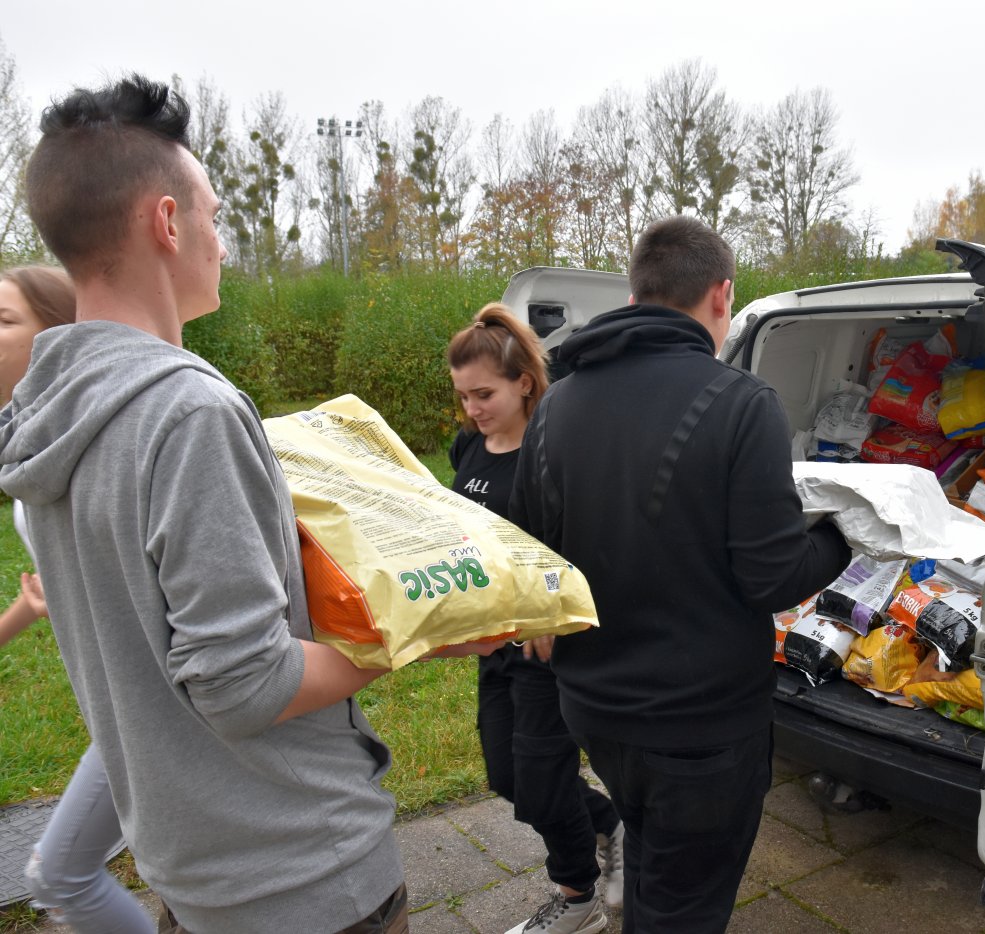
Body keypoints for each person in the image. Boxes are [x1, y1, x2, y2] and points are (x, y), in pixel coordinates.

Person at [0, 74, 495, 933]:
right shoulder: (188, 410)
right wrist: (419, 634)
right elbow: (241, 684)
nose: (221, 242)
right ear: (165, 222)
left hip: (194, 868)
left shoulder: (47, 419)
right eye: (216, 216)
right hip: (303, 871)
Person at [510, 215, 851, 932]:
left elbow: (535, 554)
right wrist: (847, 538)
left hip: (596, 709)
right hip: (700, 731)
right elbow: (772, 577)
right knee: (685, 906)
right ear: (721, 296)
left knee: (657, 865)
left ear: (635, 294)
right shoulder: (741, 403)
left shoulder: (556, 406)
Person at [445, 303, 621, 934]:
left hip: (547, 648)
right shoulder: (470, 443)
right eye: (464, 395)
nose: (472, 408)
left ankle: (577, 901)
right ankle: (612, 823)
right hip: (492, 640)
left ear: (524, 382)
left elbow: (587, 540)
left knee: (543, 784)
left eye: (484, 393)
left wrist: (549, 607)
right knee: (506, 774)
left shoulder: (555, 449)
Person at [0, 265, 152, 933]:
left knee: (60, 872)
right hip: (119, 702)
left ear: (59, 338)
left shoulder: (101, 441)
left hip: (149, 704)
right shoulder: (32, 450)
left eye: (4, 320)